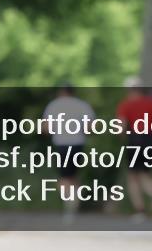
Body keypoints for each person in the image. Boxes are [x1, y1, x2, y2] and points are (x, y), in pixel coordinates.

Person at [42, 83, 97, 223]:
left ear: (61, 92)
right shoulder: (82, 105)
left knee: (64, 177)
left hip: (61, 144)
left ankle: (69, 207)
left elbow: (46, 128)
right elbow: (90, 128)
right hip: (78, 143)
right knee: (73, 175)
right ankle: (74, 203)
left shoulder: (54, 105)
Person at [115, 76, 152, 222]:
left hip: (135, 140)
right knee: (146, 174)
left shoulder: (125, 104)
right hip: (150, 140)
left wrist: (121, 136)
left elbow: (121, 126)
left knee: (133, 177)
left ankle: (140, 209)